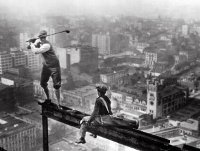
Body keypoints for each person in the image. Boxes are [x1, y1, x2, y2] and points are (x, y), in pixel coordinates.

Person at [30, 30, 62, 109]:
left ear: (45, 37)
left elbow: (36, 51)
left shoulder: (47, 45)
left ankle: (59, 104)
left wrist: (31, 44)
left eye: (43, 37)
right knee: (42, 83)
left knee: (56, 86)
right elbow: (30, 47)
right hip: (46, 65)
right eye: (41, 37)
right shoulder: (40, 41)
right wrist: (33, 42)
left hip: (54, 66)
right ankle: (48, 99)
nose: (42, 39)